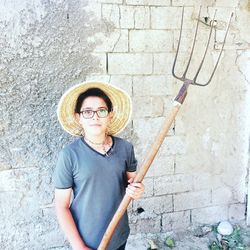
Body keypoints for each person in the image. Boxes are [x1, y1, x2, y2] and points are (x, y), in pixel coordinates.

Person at [53, 81, 144, 250]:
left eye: (101, 110)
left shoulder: (125, 148)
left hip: (119, 235)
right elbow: (61, 206)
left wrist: (137, 190)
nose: (95, 116)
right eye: (87, 111)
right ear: (78, 117)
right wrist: (79, 246)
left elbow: (132, 184)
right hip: (87, 240)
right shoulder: (69, 155)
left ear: (110, 115)